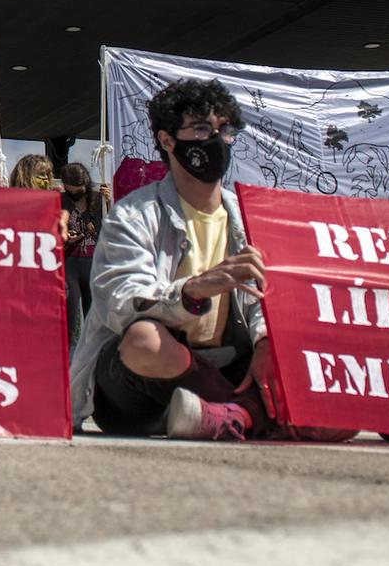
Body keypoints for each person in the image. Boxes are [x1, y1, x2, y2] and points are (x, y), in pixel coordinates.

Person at [70, 77, 273, 441]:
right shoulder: (131, 216)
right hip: (140, 386)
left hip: (230, 365)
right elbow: (120, 305)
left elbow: (268, 300)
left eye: (224, 129)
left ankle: (223, 417)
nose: (216, 140)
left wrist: (264, 342)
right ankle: (247, 415)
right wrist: (192, 292)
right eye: (200, 129)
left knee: (290, 352)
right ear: (167, 140)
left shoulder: (250, 218)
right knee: (145, 338)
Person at [59, 162, 108, 349]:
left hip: (93, 262)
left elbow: (109, 225)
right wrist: (67, 238)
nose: (74, 196)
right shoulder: (62, 200)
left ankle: (92, 354)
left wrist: (108, 202)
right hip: (70, 261)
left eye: (78, 192)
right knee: (71, 313)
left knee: (93, 314)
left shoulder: (98, 200)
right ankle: (70, 355)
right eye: (70, 192)